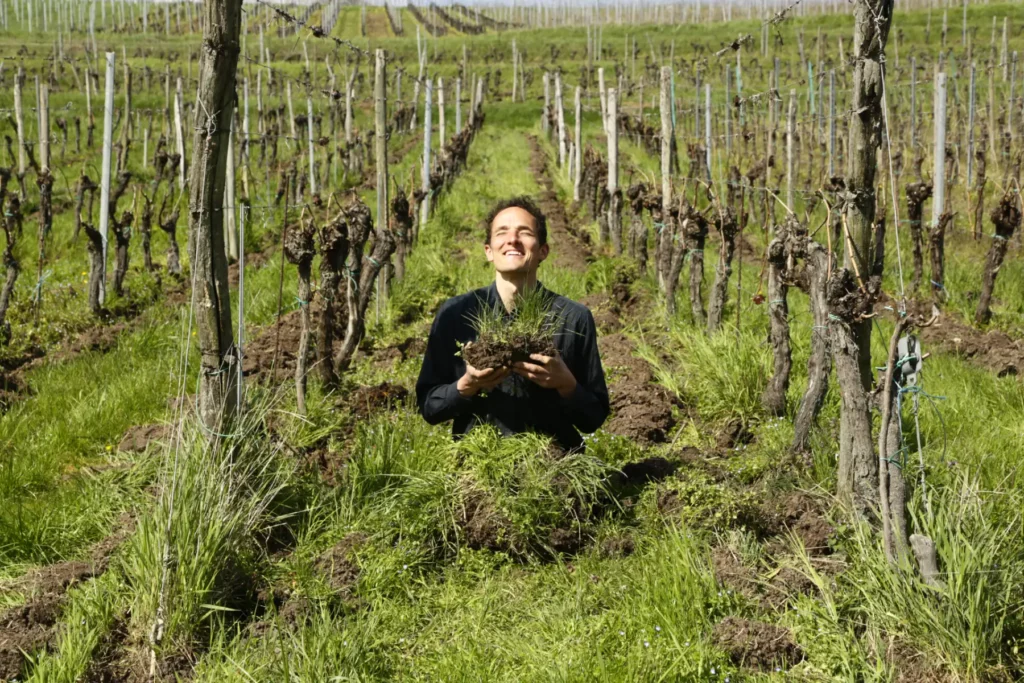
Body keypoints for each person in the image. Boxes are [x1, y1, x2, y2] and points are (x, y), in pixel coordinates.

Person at [416, 196, 609, 451]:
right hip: (478, 465)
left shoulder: (573, 318)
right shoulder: (455, 314)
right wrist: (468, 384)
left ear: (543, 251)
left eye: (525, 232)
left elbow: (593, 417)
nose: (512, 239)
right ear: (489, 251)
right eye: (502, 232)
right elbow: (430, 407)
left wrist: (566, 384)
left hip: (555, 467)